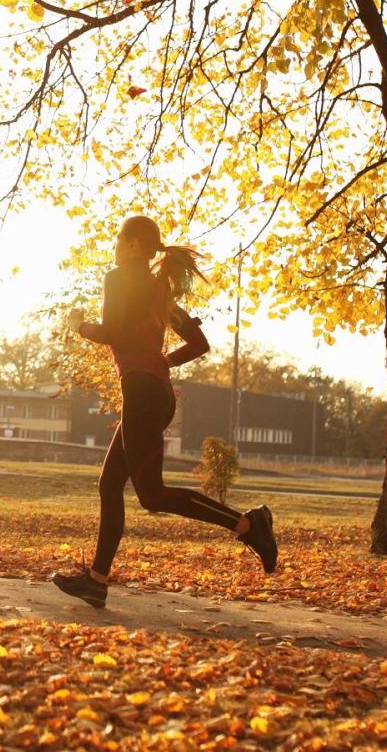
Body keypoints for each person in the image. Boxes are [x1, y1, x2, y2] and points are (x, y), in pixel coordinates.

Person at [53, 216, 278, 609]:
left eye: (119, 239)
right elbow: (199, 343)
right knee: (110, 485)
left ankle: (248, 524)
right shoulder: (159, 292)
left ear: (134, 245)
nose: (115, 246)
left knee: (152, 495)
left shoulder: (119, 278)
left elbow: (112, 331)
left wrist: (79, 325)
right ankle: (96, 581)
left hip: (142, 393)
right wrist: (164, 362)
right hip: (154, 391)